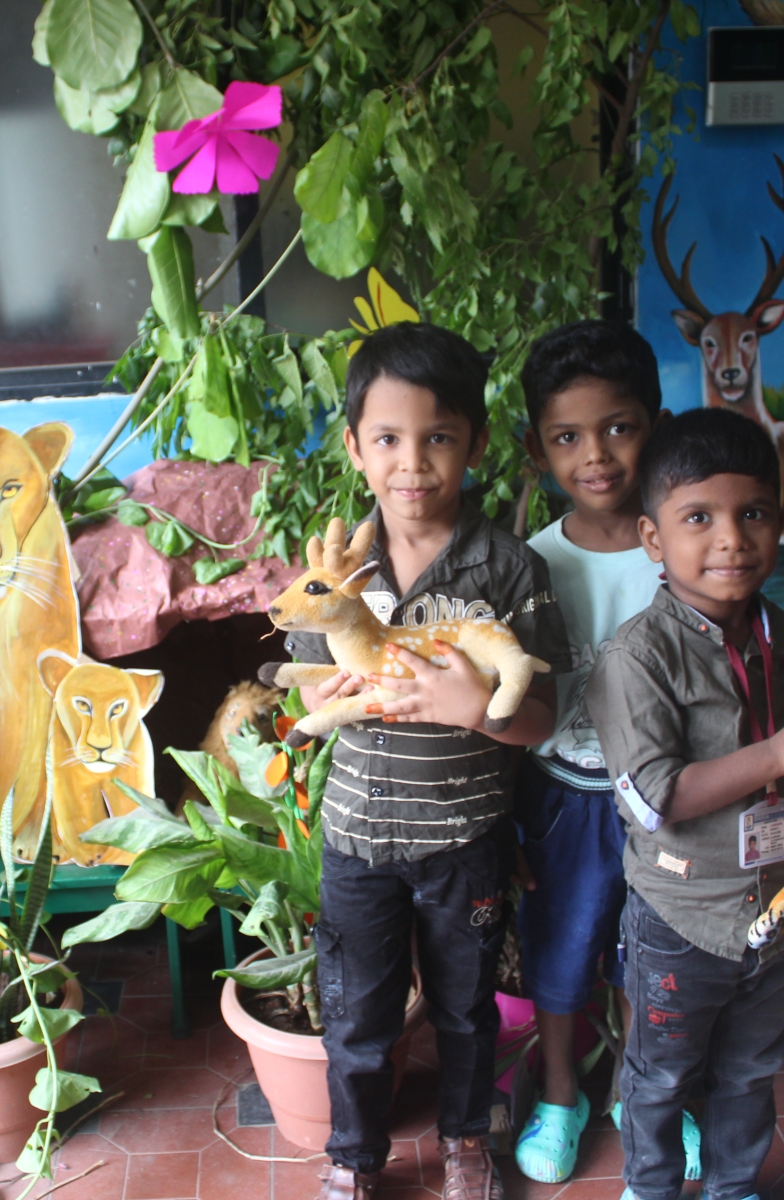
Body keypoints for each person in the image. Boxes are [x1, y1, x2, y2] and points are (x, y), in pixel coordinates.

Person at [283, 322, 571, 1200]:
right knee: (356, 1011)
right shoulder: (337, 573)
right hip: (356, 841)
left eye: (438, 438)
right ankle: (354, 1155)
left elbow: (546, 717)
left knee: (466, 1006)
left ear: (475, 445)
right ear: (355, 448)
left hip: (465, 842)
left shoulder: (510, 569)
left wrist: (476, 708)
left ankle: (466, 1140)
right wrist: (324, 691)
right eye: (388, 439)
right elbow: (306, 690)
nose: (412, 463)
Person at [586, 408, 784, 1200]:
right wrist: (778, 755)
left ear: (783, 520)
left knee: (752, 1068)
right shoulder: (636, 658)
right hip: (684, 916)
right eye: (699, 518)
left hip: (781, 906)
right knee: (661, 1074)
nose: (732, 540)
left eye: (754, 514)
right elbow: (656, 800)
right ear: (652, 538)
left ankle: (733, 1186)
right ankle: (650, 1187)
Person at [507, 321, 682, 1185]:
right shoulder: (530, 565)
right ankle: (558, 1093)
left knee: (653, 958)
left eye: (619, 428)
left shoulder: (686, 552)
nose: (597, 456)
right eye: (568, 437)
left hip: (670, 802)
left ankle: (643, 1098)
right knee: (562, 953)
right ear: (537, 450)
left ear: (658, 425)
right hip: (563, 799)